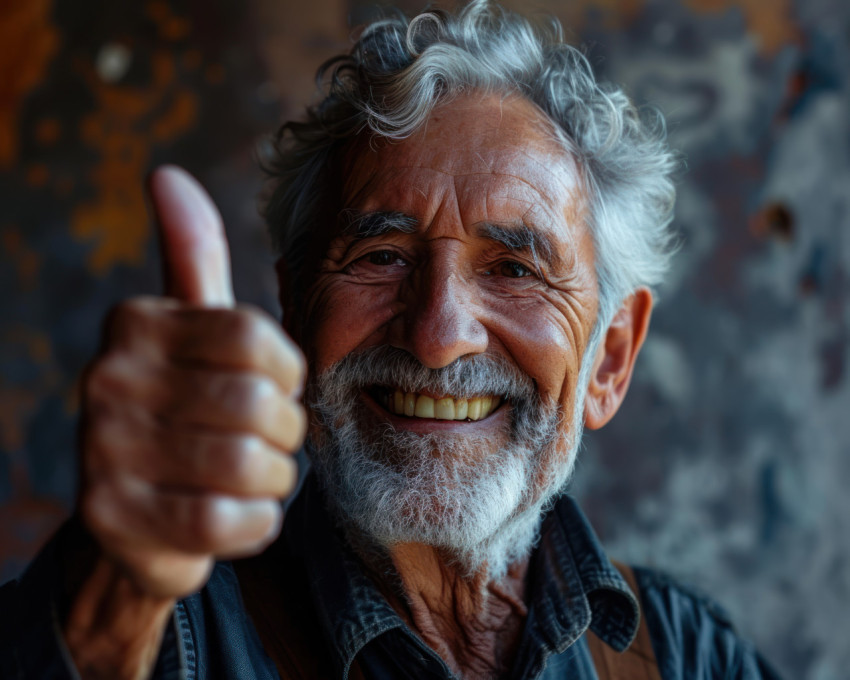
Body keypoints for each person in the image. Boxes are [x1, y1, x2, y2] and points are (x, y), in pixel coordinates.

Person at [0, 2, 780, 678]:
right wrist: (117, 601)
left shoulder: (683, 654)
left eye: (513, 268)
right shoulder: (163, 633)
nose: (438, 338)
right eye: (380, 257)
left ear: (609, 359)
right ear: (296, 314)